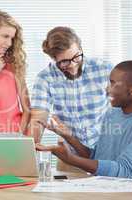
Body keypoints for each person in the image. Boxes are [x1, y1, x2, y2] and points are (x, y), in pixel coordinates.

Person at [37, 60, 132, 180]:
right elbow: (97, 157)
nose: (107, 89)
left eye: (113, 84)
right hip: (105, 191)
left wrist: (71, 159)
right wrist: (70, 137)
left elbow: (124, 171)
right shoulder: (112, 113)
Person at [29, 26, 112, 171]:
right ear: (53, 59)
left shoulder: (104, 69)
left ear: (80, 48)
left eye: (76, 57)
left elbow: (121, 111)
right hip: (71, 160)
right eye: (65, 62)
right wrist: (28, 152)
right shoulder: (45, 78)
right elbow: (38, 118)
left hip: (106, 157)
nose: (73, 66)